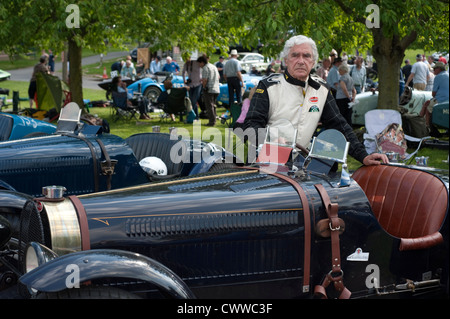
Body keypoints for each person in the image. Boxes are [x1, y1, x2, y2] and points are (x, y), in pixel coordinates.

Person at [243, 35, 388, 166]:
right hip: (268, 161)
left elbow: (339, 125)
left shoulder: (322, 89)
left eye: (306, 56)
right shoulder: (268, 86)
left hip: (300, 164)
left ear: (313, 62)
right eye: (295, 55)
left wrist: (363, 156)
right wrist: (270, 139)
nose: (301, 61)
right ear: (286, 60)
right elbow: (251, 125)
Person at [419, 62, 449, 128]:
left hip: (441, 100)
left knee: (427, 107)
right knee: (428, 103)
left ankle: (427, 126)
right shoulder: (447, 74)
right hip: (447, 99)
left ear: (439, 69)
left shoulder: (438, 77)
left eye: (435, 69)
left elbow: (433, 94)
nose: (434, 70)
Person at [197, 55, 220, 126]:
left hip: (209, 89)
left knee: (209, 106)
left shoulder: (205, 68)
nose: (199, 65)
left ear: (202, 62)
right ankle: (214, 118)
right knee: (213, 105)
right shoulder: (213, 66)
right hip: (216, 88)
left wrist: (203, 87)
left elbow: (205, 80)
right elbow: (218, 77)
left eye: (199, 63)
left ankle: (211, 122)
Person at [182, 54, 203, 120]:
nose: (186, 60)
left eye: (187, 58)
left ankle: (192, 116)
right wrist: (184, 80)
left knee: (194, 100)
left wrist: (203, 78)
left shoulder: (196, 63)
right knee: (191, 101)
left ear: (190, 57)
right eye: (185, 59)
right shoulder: (186, 64)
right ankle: (196, 116)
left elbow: (203, 68)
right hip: (190, 85)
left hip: (198, 84)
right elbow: (183, 72)